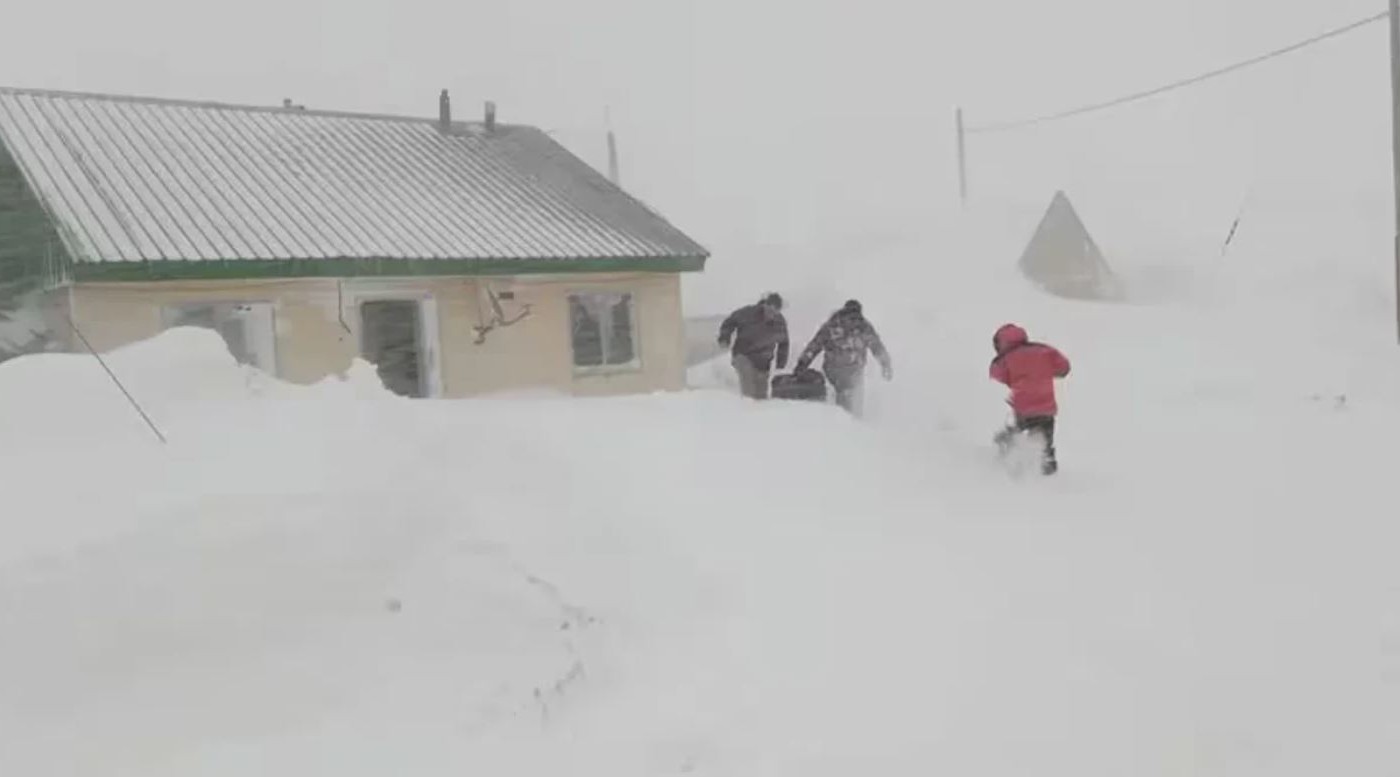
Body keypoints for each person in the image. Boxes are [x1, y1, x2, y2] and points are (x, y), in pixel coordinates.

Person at [989, 323, 1070, 475]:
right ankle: (1048, 471)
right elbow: (1064, 367)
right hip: (1046, 409)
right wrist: (1045, 372)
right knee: (1045, 443)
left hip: (1023, 410)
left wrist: (1013, 377)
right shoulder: (1043, 350)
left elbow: (995, 373)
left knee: (1017, 434)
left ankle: (1008, 455)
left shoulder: (1006, 358)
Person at [793, 299, 892, 416]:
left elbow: (815, 345)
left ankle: (842, 419)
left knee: (845, 399)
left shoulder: (837, 325)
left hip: (840, 370)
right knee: (850, 401)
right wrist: (885, 365)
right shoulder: (858, 326)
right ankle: (847, 420)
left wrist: (802, 363)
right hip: (846, 370)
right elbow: (877, 347)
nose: (853, 319)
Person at [717, 292, 790, 399]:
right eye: (770, 310)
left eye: (776, 311)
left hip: (763, 363)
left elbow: (784, 343)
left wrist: (781, 363)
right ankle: (746, 404)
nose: (772, 314)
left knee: (761, 398)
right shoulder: (748, 313)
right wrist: (724, 337)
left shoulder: (780, 322)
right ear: (765, 305)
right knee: (749, 394)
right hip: (743, 356)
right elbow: (730, 321)